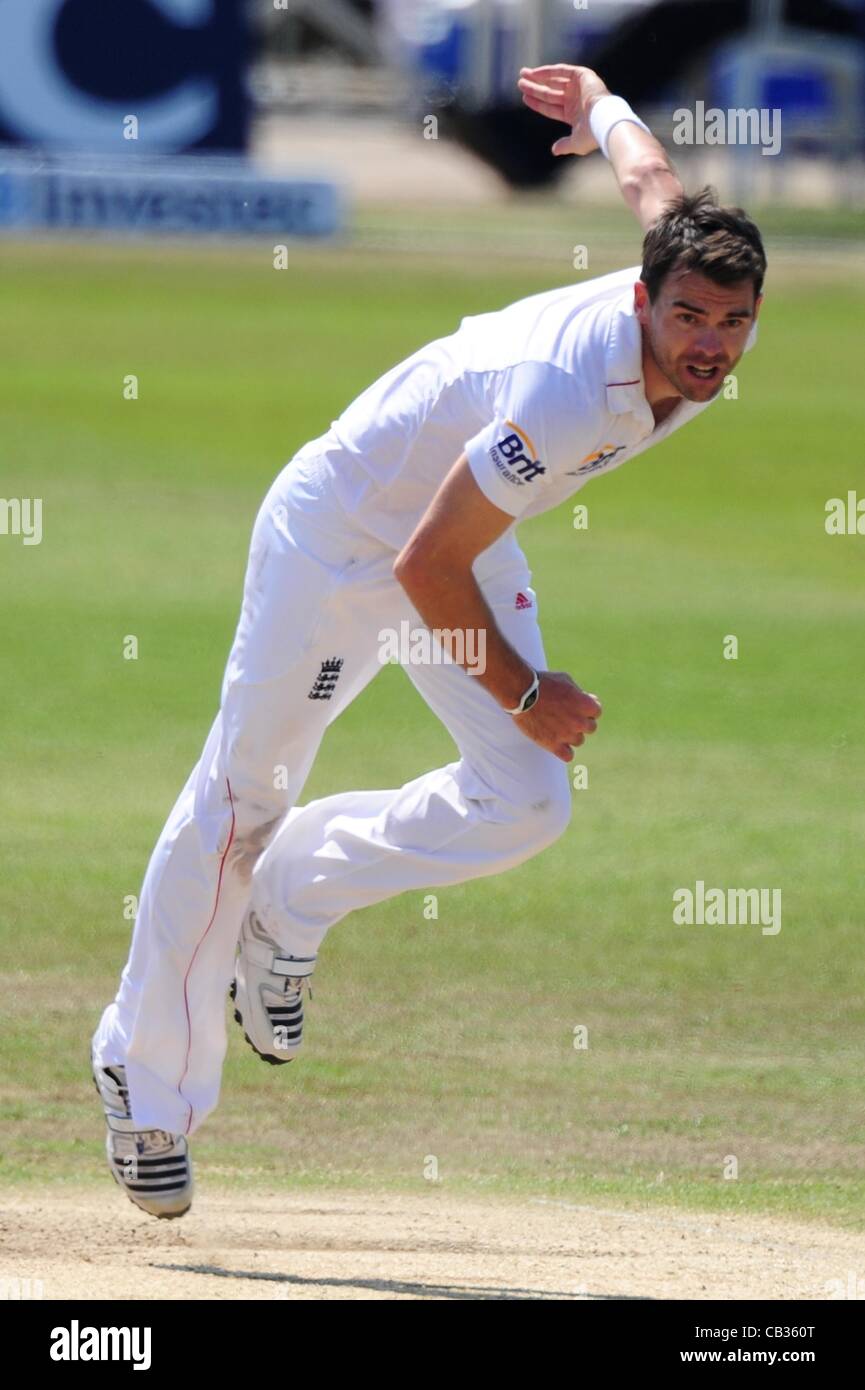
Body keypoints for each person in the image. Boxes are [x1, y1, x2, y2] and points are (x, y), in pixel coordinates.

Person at [91, 65, 766, 1217]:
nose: (709, 345)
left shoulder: (687, 263)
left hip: (463, 529)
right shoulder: (563, 393)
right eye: (689, 318)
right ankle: (144, 1084)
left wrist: (599, 105)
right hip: (349, 536)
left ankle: (292, 902)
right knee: (241, 800)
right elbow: (420, 569)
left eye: (734, 323)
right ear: (644, 304)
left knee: (528, 800)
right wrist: (526, 692)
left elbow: (653, 182)